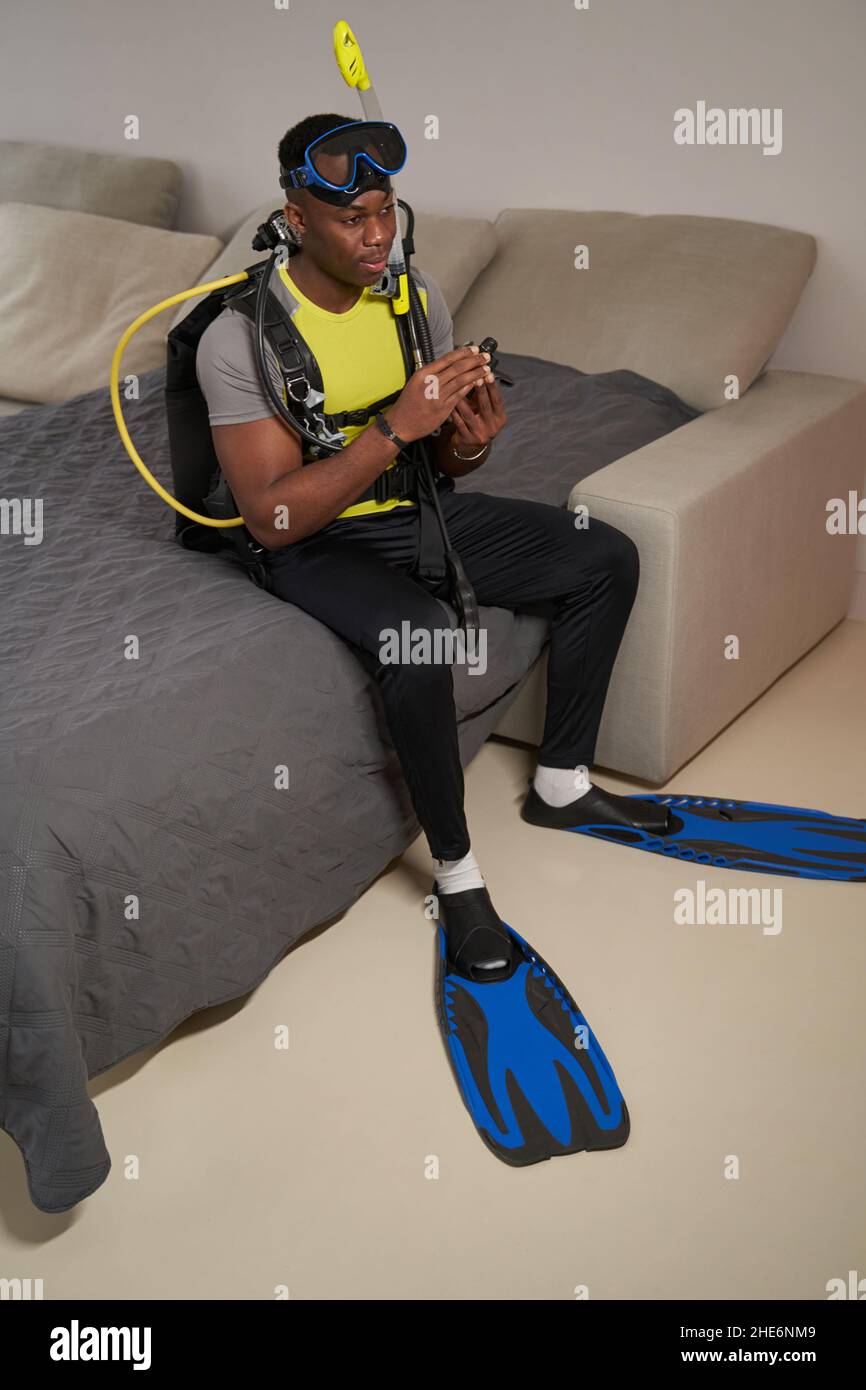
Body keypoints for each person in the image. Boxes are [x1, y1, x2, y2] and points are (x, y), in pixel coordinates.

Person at [195, 113, 669, 975]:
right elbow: (271, 519)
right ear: (296, 219)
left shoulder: (418, 300)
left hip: (418, 513)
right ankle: (456, 879)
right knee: (420, 641)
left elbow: (449, 455)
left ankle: (562, 783)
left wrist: (471, 438)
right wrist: (392, 427)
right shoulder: (241, 338)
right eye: (351, 219)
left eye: (386, 210)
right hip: (312, 541)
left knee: (605, 555)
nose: (377, 236)